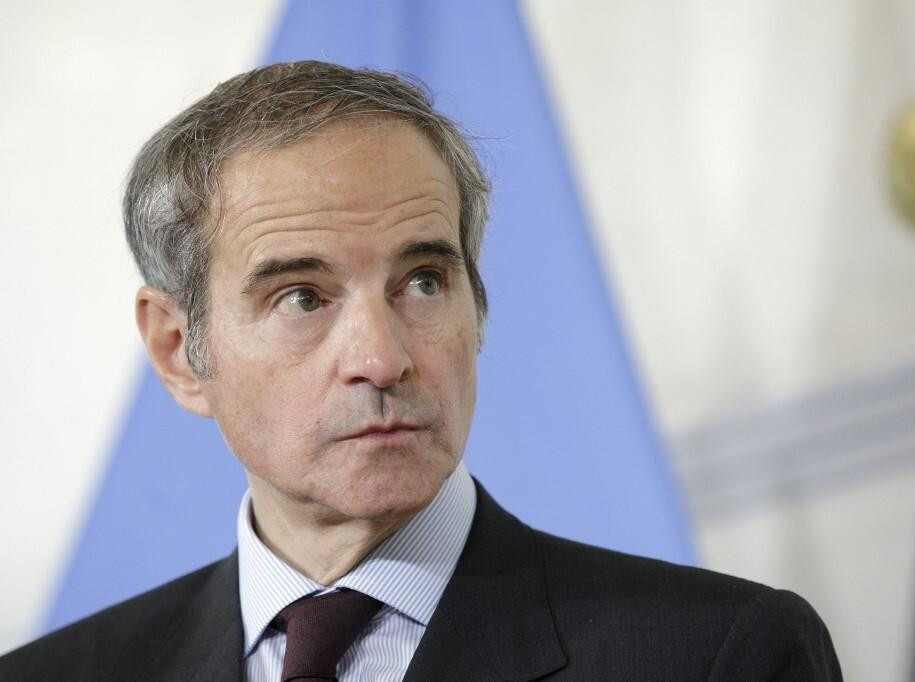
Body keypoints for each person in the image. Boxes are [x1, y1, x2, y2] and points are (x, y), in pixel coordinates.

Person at [0, 61, 842, 681]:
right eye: (302, 297)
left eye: (424, 282)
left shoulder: (716, 656)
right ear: (179, 350)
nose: (382, 358)